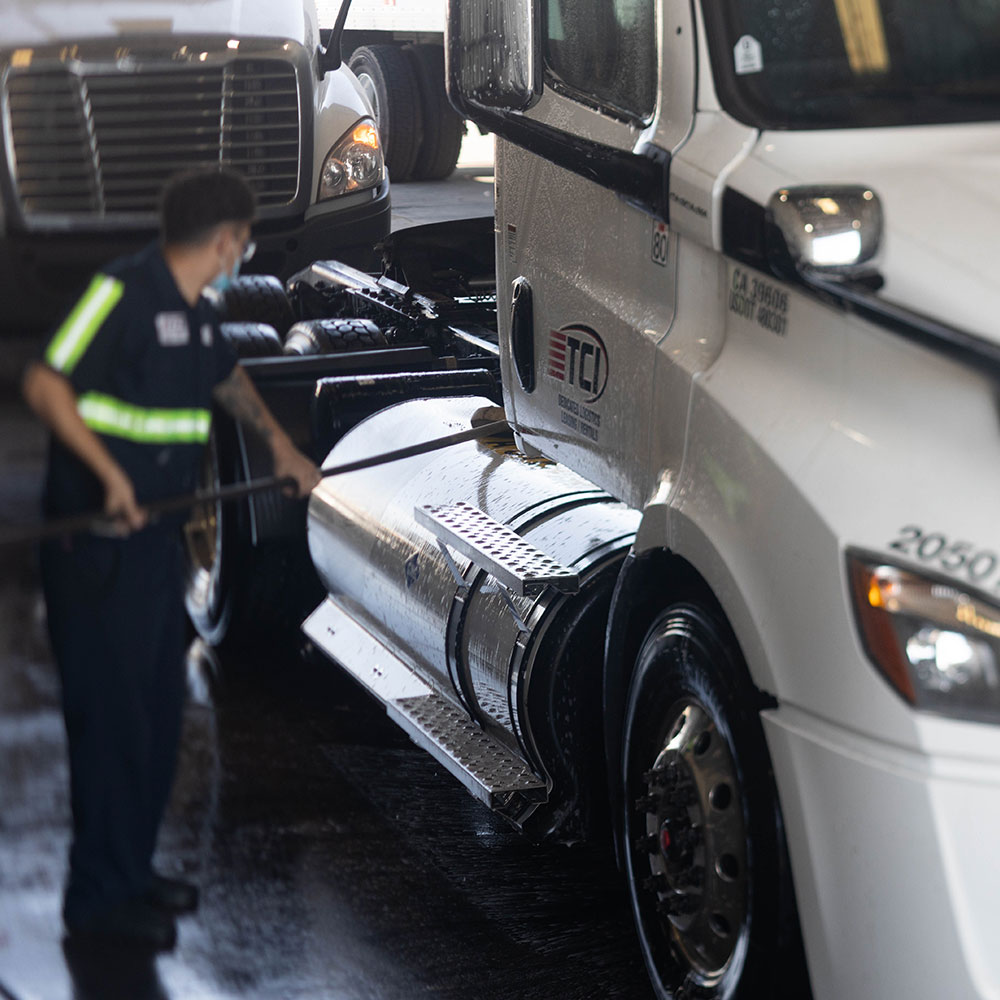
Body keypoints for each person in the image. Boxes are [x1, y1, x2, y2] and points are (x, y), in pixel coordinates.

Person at [22, 168, 320, 951]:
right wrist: (112, 475)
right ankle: (97, 903)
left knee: (156, 718)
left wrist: (284, 450)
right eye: (244, 243)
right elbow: (46, 383)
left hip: (156, 550)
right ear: (224, 240)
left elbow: (227, 380)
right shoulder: (121, 293)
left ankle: (131, 871)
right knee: (113, 725)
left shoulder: (197, 312)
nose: (243, 255)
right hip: (99, 550)